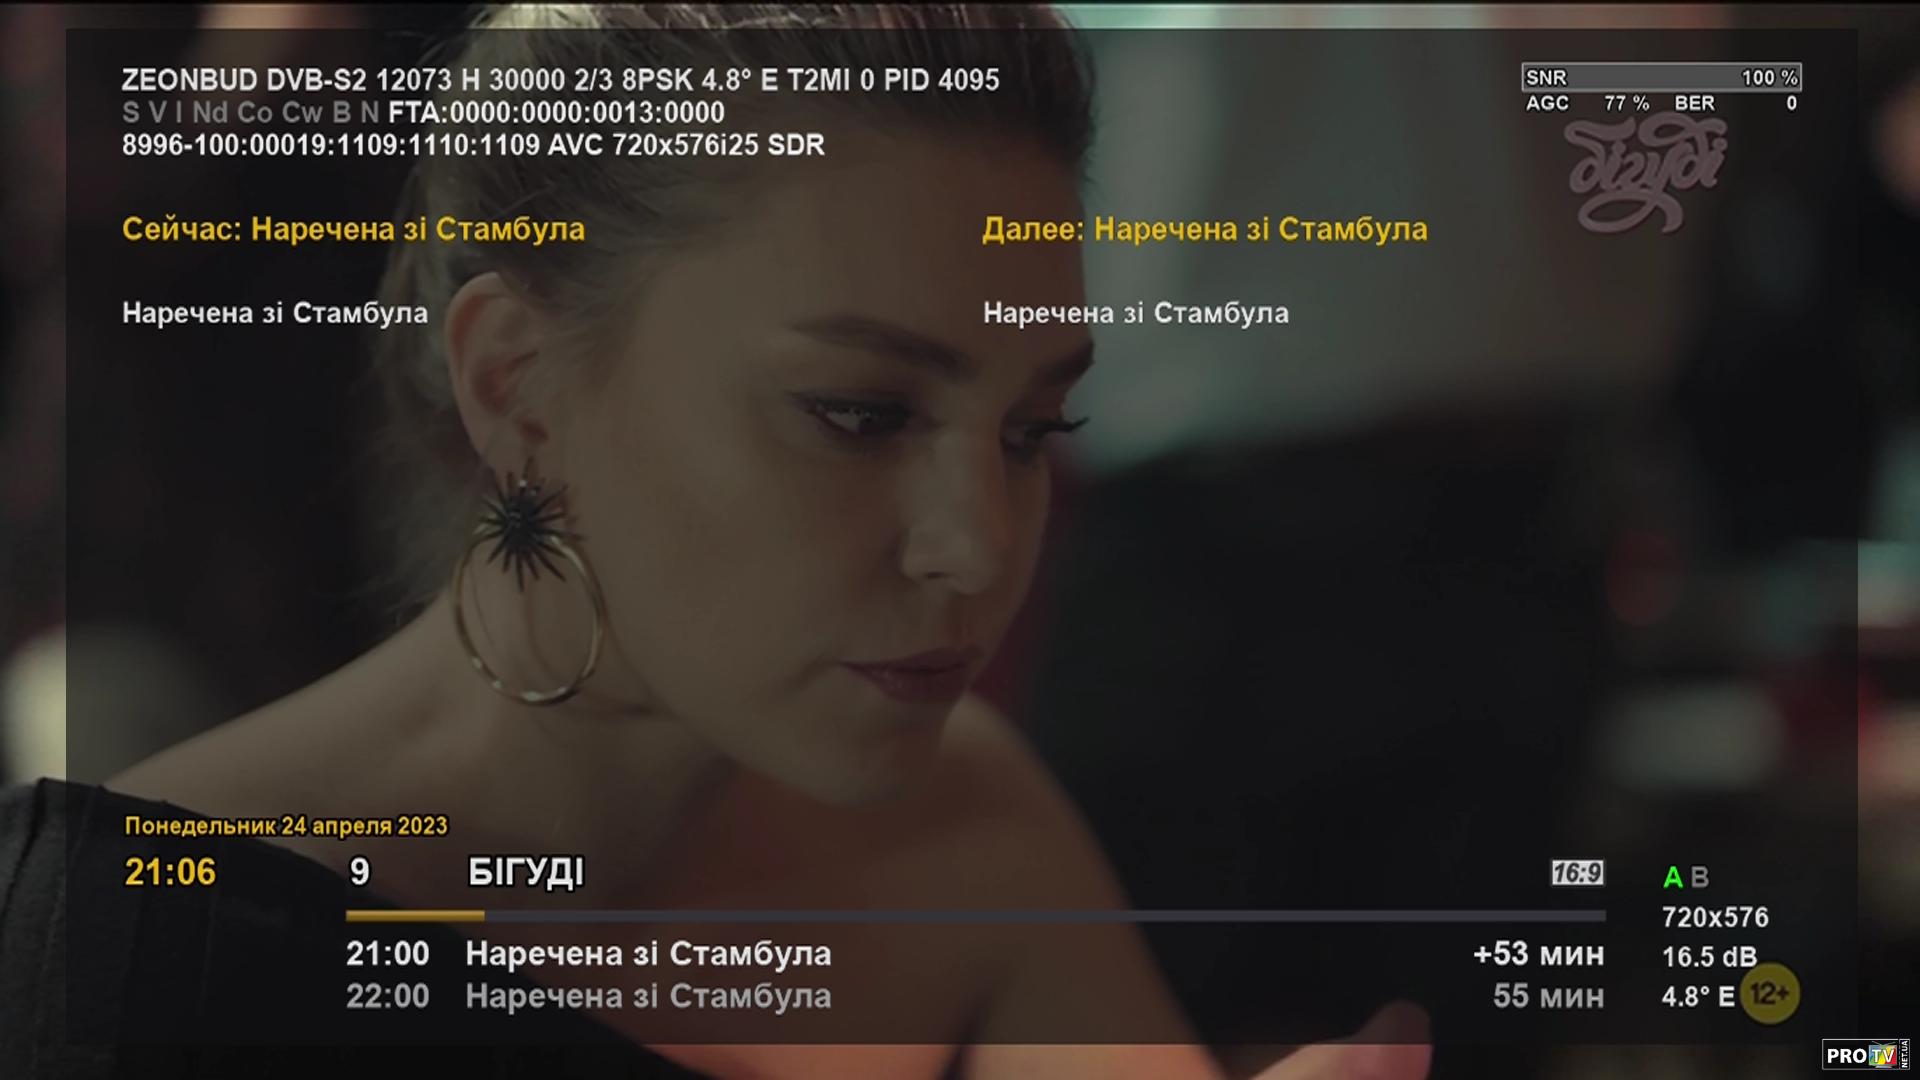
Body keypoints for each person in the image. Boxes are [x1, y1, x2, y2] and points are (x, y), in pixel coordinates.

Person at [1, 5, 1430, 1077]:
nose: (979, 547)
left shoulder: (969, 831)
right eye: (861, 414)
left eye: (1031, 428)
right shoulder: (135, 949)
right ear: (519, 384)